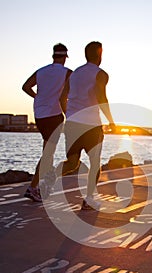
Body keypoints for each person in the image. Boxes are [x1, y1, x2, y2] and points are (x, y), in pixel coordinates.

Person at [43, 41, 115, 210]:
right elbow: (101, 96)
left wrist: (70, 114)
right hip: (91, 125)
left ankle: (50, 178)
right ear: (99, 54)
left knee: (72, 162)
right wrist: (111, 121)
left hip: (73, 123)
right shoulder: (101, 74)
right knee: (95, 162)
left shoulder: (74, 74)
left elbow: (62, 98)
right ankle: (88, 200)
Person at [22, 43, 72, 202]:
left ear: (53, 56)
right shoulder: (67, 73)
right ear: (65, 57)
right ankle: (33, 187)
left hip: (39, 115)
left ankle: (42, 183)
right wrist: (69, 115)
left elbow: (26, 87)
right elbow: (63, 98)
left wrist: (38, 97)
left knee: (48, 150)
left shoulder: (41, 71)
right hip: (54, 115)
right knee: (48, 153)